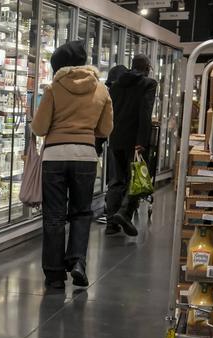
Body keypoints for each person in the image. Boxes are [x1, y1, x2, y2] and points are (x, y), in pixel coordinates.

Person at [30, 40, 113, 289]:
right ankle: (77, 261)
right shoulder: (101, 90)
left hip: (55, 156)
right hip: (85, 156)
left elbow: (39, 127)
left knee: (54, 216)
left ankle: (54, 275)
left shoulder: (53, 89)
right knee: (81, 212)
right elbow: (105, 129)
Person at [105, 55, 157, 236]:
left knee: (116, 180)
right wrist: (142, 141)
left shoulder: (116, 85)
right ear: (147, 67)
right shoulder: (149, 84)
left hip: (116, 138)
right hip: (135, 140)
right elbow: (145, 112)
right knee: (137, 179)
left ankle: (111, 224)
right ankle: (125, 213)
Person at [95, 64, 129, 225]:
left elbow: (103, 123)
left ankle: (112, 218)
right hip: (130, 145)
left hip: (114, 144)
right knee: (125, 180)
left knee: (115, 180)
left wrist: (97, 145)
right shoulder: (132, 94)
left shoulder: (108, 97)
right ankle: (121, 214)